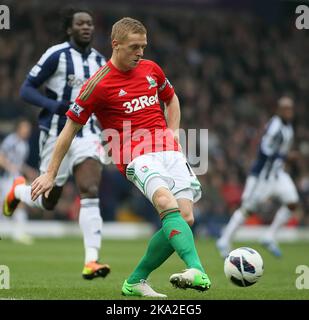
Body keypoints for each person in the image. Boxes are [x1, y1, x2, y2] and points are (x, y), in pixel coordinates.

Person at [30, 17, 211, 298]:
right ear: (116, 45)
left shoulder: (152, 69)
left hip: (169, 150)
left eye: (144, 46)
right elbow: (69, 130)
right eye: (134, 47)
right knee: (165, 202)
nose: (141, 53)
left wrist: (173, 131)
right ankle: (196, 269)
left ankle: (135, 282)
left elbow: (171, 99)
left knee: (185, 218)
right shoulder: (98, 85)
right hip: (135, 155)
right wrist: (51, 173)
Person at [3, 7, 110, 279]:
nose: (86, 27)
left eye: (89, 24)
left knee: (90, 187)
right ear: (69, 29)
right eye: (80, 23)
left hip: (88, 134)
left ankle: (91, 260)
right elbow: (26, 89)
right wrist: (54, 105)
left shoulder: (100, 62)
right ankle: (18, 191)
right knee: (48, 201)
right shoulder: (56, 55)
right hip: (55, 133)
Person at [216, 96, 299, 258]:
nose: (289, 112)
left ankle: (269, 236)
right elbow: (265, 150)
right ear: (279, 110)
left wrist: (284, 160)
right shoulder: (275, 127)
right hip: (263, 176)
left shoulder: (288, 127)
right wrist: (286, 157)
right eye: (285, 109)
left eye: (291, 109)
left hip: (278, 174)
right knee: (248, 209)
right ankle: (224, 240)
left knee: (293, 203)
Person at [0, 119, 35, 244]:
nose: (27, 131)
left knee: (18, 202)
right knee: (16, 203)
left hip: (16, 177)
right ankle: (18, 233)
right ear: (18, 128)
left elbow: (19, 163)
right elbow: (1, 157)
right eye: (25, 128)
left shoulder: (24, 144)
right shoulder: (11, 140)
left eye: (28, 128)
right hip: (7, 178)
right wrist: (10, 167)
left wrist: (28, 170)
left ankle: (19, 233)